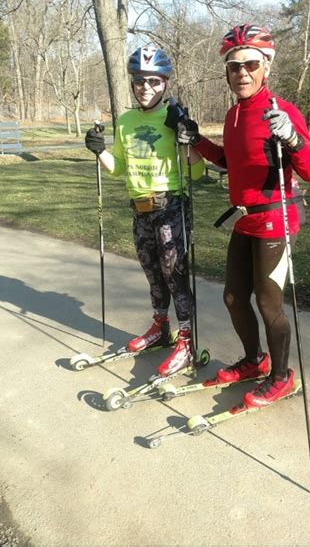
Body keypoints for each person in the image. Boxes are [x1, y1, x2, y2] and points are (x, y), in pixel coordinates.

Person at [179, 24, 310, 408]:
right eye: (234, 66)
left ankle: (281, 377)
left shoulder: (281, 111)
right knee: (232, 297)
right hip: (245, 218)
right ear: (226, 72)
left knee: (268, 302)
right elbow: (232, 161)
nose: (242, 72)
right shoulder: (233, 115)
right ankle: (253, 360)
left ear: (266, 68)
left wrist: (292, 138)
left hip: (277, 218)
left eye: (250, 64)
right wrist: (196, 141)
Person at [84, 46, 204, 377]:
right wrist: (99, 151)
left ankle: (187, 340)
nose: (145, 87)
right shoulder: (125, 121)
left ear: (165, 82)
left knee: (174, 274)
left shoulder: (175, 118)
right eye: (138, 81)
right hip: (140, 209)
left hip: (170, 205)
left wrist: (189, 141)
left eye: (153, 81)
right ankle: (160, 328)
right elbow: (118, 168)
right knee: (152, 273)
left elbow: (196, 174)